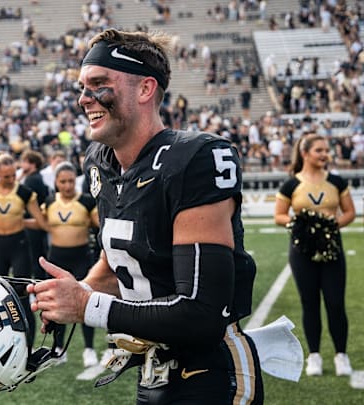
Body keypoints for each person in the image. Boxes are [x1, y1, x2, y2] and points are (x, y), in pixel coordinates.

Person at [27, 29, 263, 403]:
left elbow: (201, 311)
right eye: (82, 87)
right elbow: (117, 263)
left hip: (212, 373)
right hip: (154, 372)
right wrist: (72, 295)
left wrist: (87, 305)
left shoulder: (194, 158)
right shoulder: (100, 161)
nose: (83, 99)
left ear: (145, 89)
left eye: (99, 85)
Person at [274, 133, 356, 377]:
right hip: (302, 252)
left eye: (326, 150)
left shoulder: (337, 181)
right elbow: (279, 215)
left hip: (332, 250)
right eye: (319, 150)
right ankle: (315, 356)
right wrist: (303, 226)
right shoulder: (291, 184)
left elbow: (349, 212)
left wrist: (328, 228)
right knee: (309, 304)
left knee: (335, 303)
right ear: (305, 153)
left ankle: (341, 355)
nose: (324, 154)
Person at [0, 152, 49, 346]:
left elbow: (41, 222)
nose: (10, 179)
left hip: (20, 245)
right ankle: (0, 341)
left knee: (22, 296)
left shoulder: (24, 192)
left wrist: (29, 221)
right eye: (6, 176)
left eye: (13, 175)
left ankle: (28, 345)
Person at [41, 162, 100, 367]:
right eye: (63, 181)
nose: (67, 185)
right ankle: (58, 348)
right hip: (56, 258)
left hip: (81, 258)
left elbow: (99, 223)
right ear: (56, 182)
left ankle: (89, 349)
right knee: (56, 304)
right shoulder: (48, 202)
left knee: (86, 302)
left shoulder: (86, 201)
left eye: (71, 181)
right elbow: (40, 223)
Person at [19, 150, 49, 280]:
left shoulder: (31, 180)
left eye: (24, 162)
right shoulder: (36, 177)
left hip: (32, 221)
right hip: (37, 220)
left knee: (35, 256)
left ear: (32, 164)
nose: (21, 165)